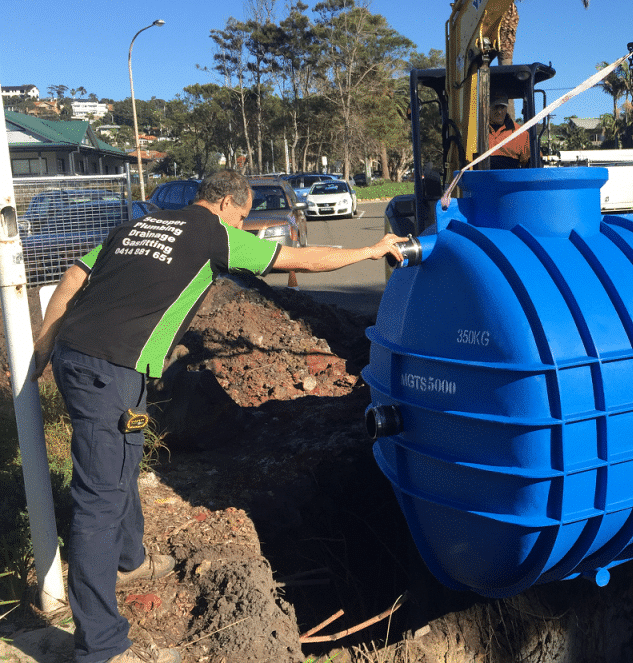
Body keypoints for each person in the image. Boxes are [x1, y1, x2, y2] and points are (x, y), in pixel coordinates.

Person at [31, 170, 406, 663]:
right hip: (110, 370)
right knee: (98, 499)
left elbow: (74, 276)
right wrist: (371, 250)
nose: (243, 225)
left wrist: (43, 349)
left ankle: (130, 559)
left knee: (125, 454)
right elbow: (303, 259)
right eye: (243, 215)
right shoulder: (213, 234)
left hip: (88, 359)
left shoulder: (139, 226)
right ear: (227, 203)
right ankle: (100, 645)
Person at [486, 95, 531, 169]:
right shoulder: (477, 131)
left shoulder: (521, 133)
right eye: (495, 107)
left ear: (506, 108)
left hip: (511, 175)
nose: (499, 112)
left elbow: (533, 162)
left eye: (502, 107)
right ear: (488, 108)